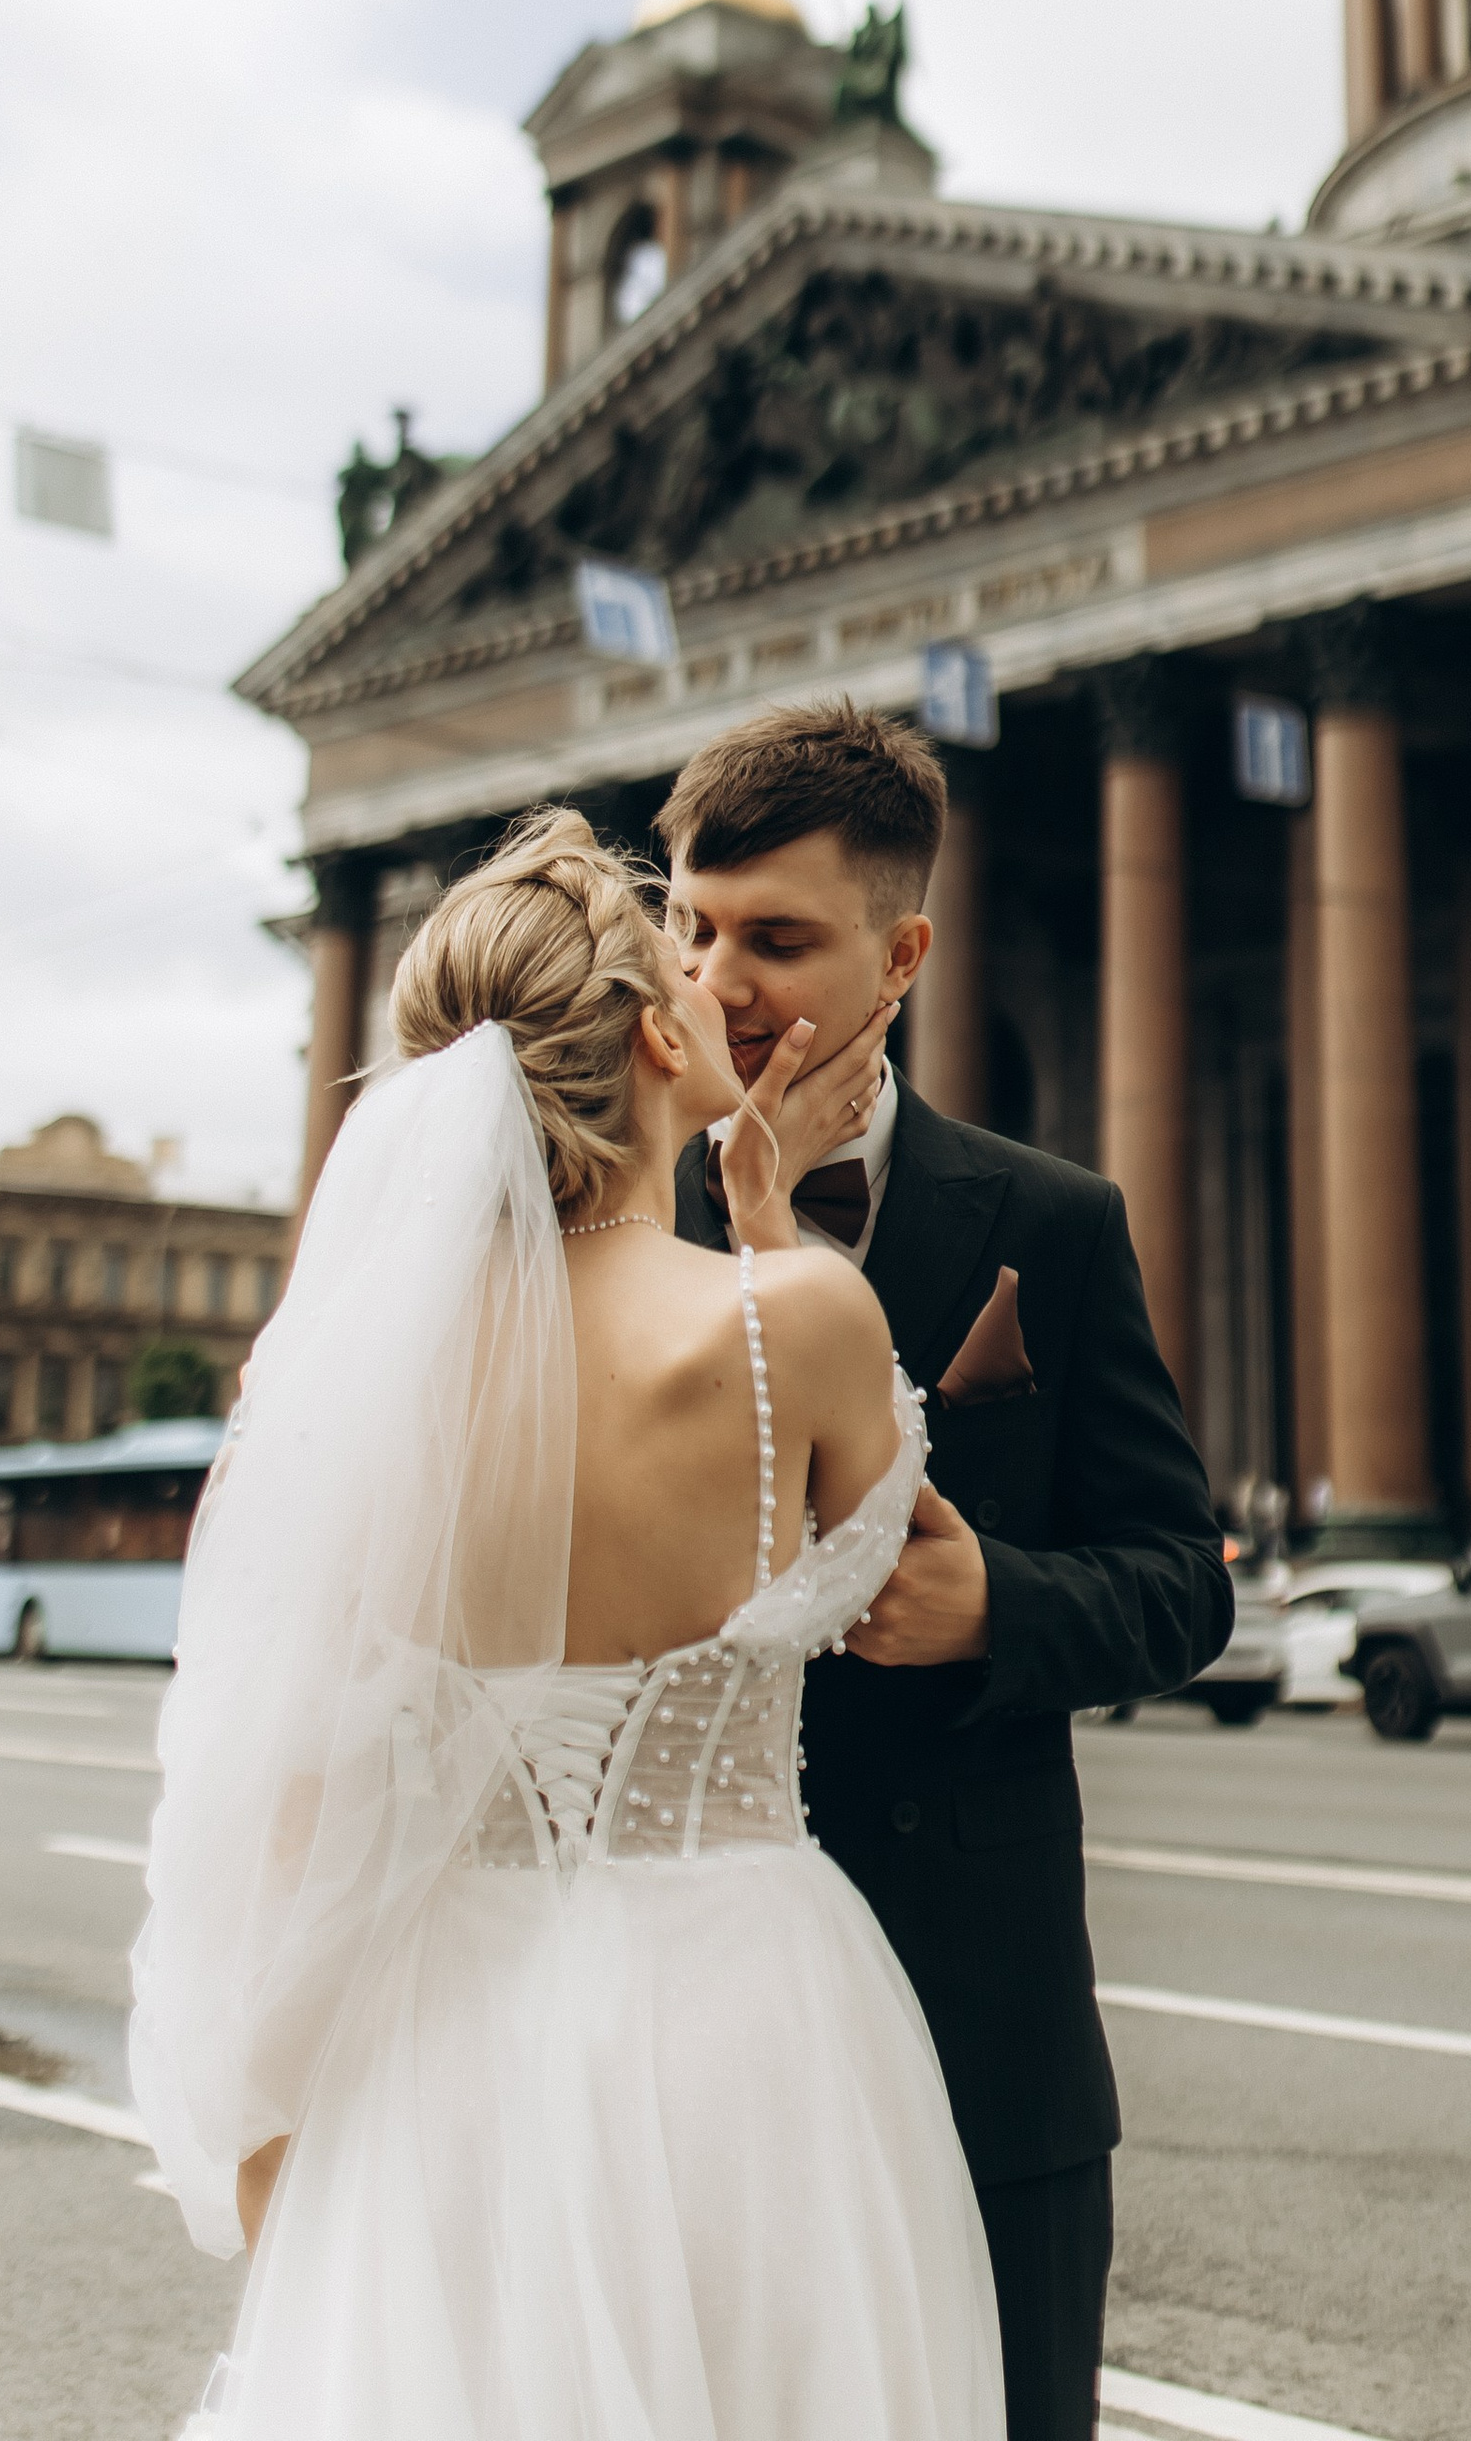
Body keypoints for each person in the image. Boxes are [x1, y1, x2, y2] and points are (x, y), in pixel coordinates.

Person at [130, 810, 1007, 2440]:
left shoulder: (350, 1392)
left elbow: (296, 1794)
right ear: (661, 1037)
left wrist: (281, 2153)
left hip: (443, 2031)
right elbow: (898, 1546)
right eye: (691, 962)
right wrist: (761, 1217)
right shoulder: (795, 1317)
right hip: (740, 2012)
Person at [660, 704, 1235, 2441]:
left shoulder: (1049, 1223)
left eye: (777, 938)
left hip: (982, 2033)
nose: (719, 981)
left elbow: (1179, 1576)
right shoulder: (618, 1221)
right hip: (696, 2012)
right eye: (693, 927)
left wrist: (1007, 1610)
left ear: (902, 953)